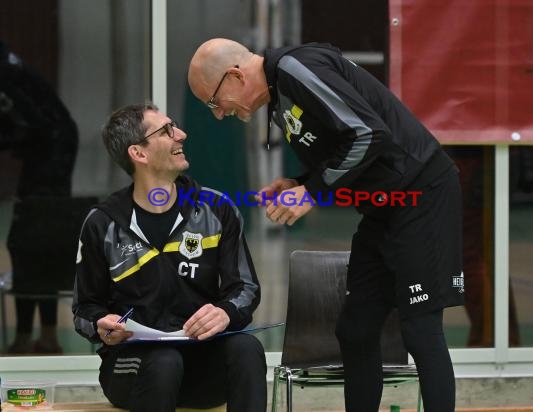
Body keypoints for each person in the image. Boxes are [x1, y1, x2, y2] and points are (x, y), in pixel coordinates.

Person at [188, 39, 464, 412]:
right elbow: (341, 145)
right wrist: (301, 182)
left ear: (235, 75)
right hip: (382, 209)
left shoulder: (293, 68)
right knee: (356, 329)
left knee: (420, 328)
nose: (219, 114)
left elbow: (367, 132)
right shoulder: (279, 93)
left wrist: (313, 192)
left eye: (213, 102)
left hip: (420, 195)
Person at [72, 103, 267, 412]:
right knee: (164, 361)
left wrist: (226, 312)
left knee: (247, 348)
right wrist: (99, 324)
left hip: (202, 365)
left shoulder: (217, 209)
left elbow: (246, 289)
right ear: (139, 153)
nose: (181, 134)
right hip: (133, 367)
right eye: (166, 131)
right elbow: (84, 309)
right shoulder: (102, 222)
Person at [0, 40, 78, 354]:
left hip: (53, 150)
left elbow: (31, 126)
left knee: (32, 240)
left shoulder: (6, 71)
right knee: (37, 239)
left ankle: (35, 337)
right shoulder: (9, 65)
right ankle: (43, 335)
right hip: (52, 144)